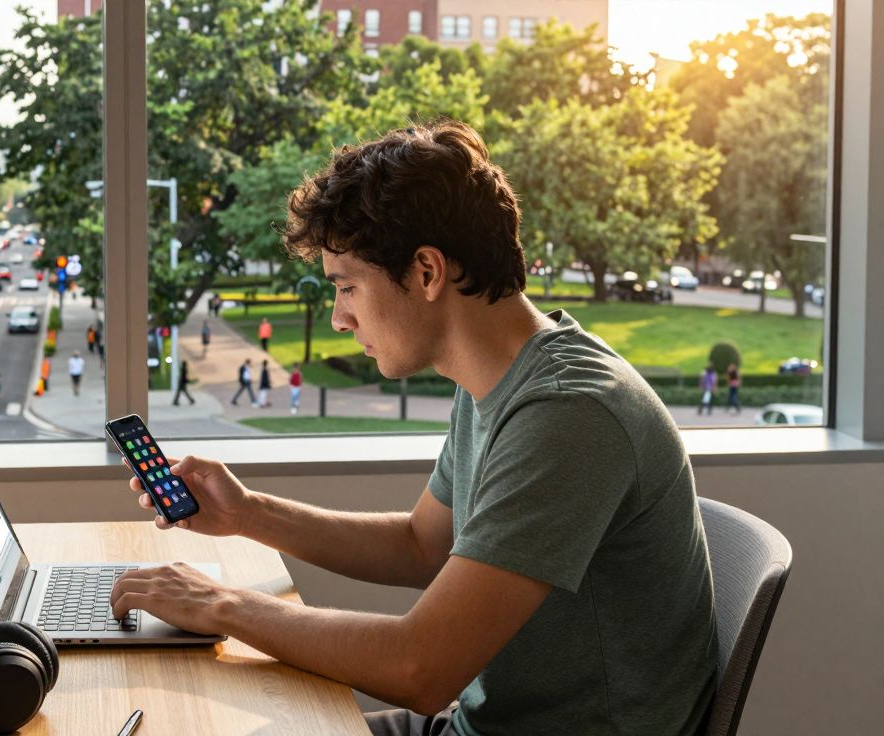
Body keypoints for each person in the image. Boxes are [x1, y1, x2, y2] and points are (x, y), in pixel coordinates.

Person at [108, 121, 718, 736]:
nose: (340, 317)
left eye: (347, 287)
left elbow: (420, 668)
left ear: (426, 272)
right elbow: (422, 546)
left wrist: (221, 604)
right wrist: (247, 514)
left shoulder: (568, 414)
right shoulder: (498, 380)